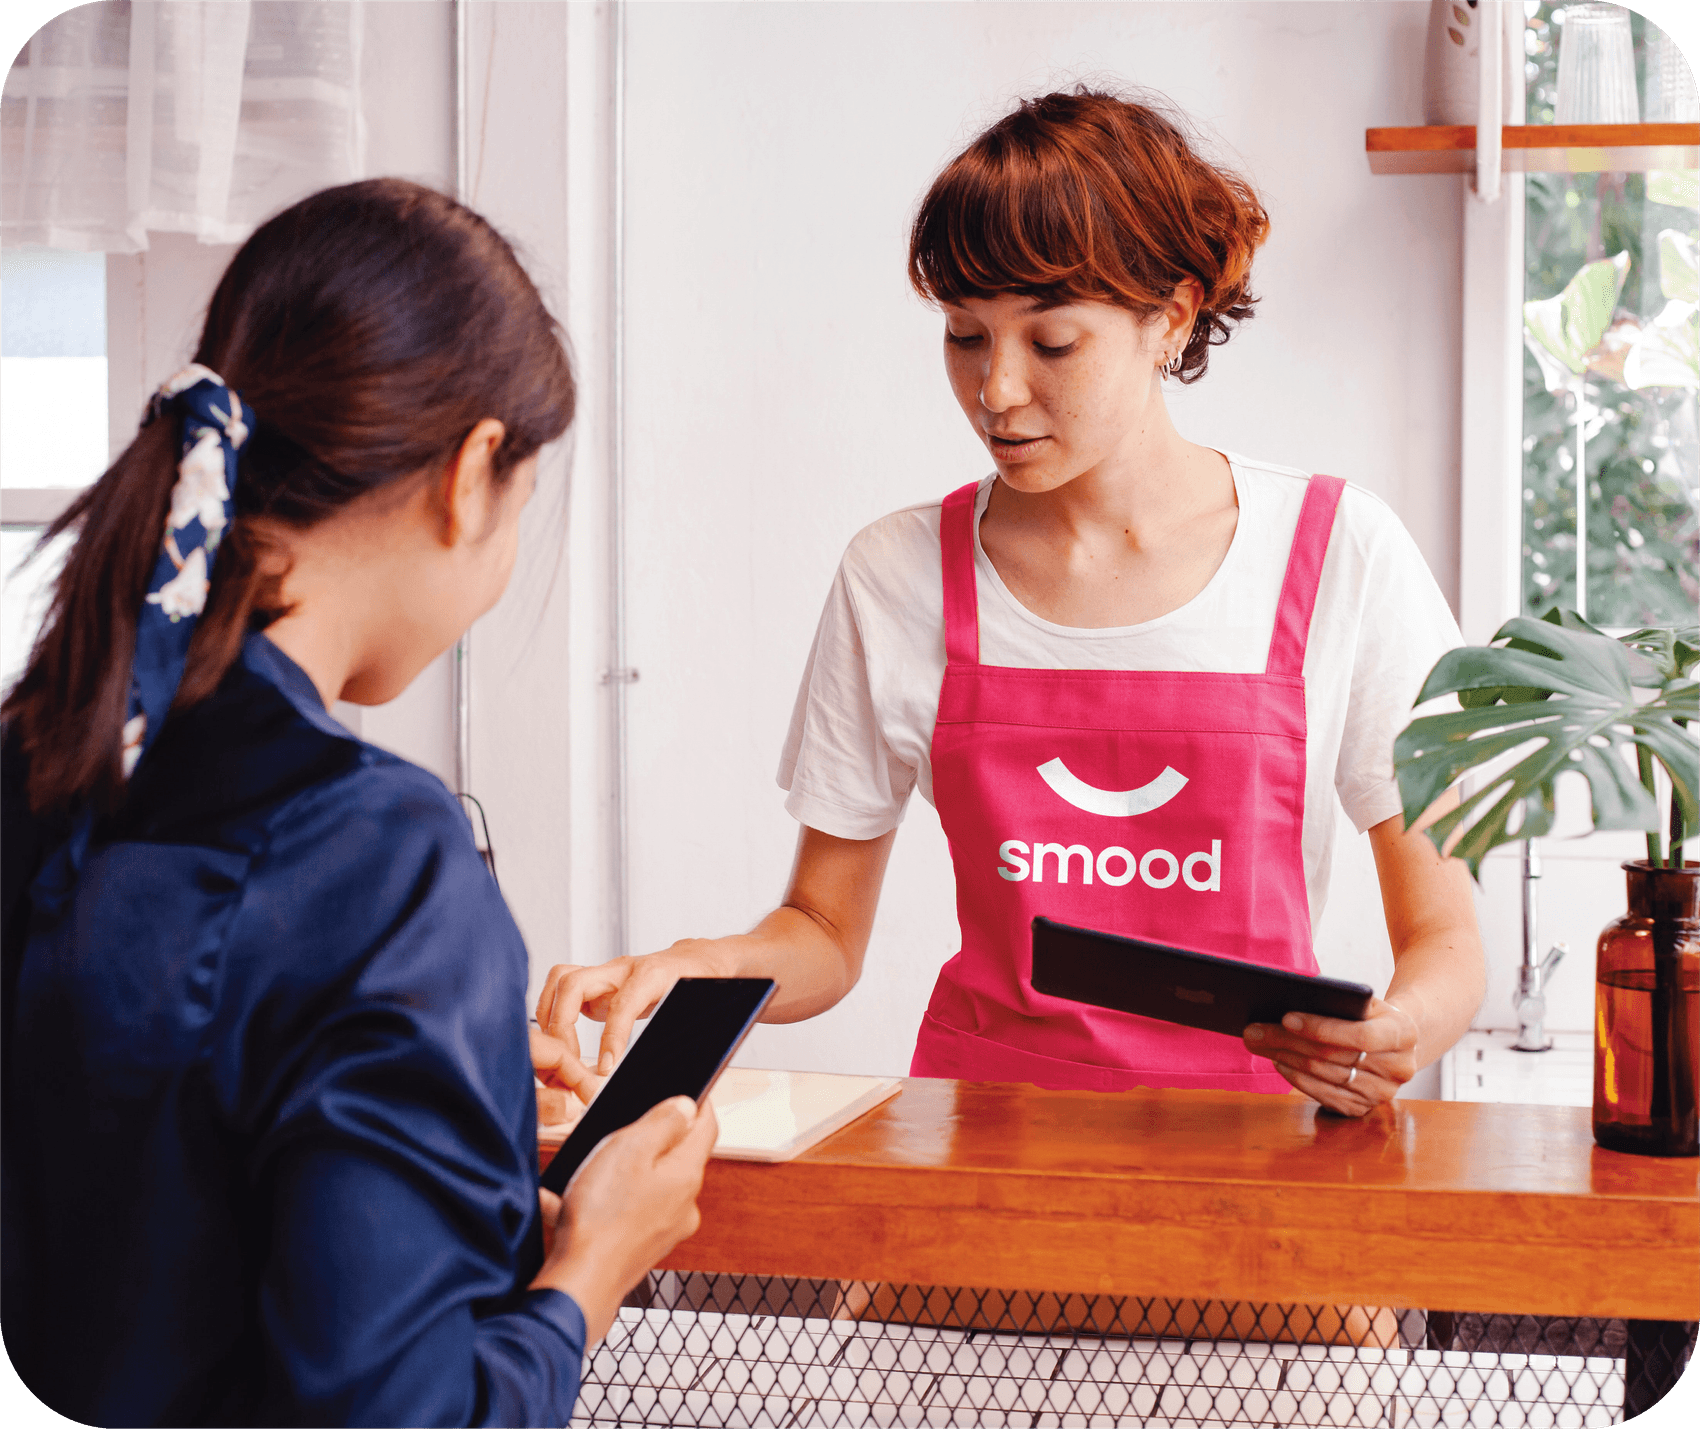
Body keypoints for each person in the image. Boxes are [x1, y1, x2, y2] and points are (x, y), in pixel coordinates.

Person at [537, 89, 1486, 1117]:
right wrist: (702, 965)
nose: (995, 390)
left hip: (1253, 1145)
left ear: (1169, 317)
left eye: (1051, 343)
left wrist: (1399, 1028)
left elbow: (1444, 939)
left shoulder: (1339, 554)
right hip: (984, 1144)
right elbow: (822, 930)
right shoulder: (895, 573)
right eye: (963, 334)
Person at [0, 178, 710, 1428]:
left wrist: (430, 1075)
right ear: (471, 473)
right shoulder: (381, 855)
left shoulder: (36, 757)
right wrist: (590, 1269)